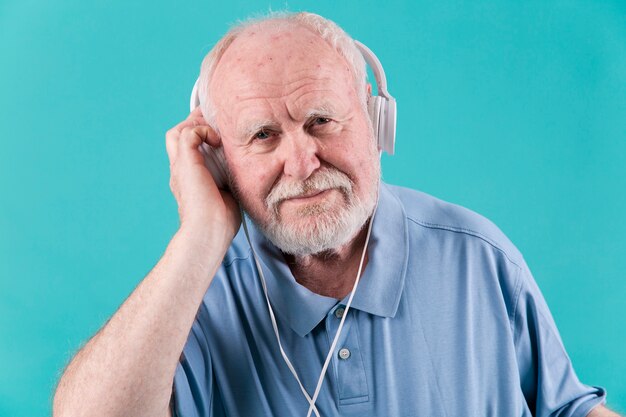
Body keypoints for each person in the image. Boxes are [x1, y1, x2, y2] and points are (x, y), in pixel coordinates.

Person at [52, 11, 619, 417]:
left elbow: (568, 408)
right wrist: (199, 236)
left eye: (321, 120)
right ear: (218, 160)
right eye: (262, 135)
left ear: (376, 124)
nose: (301, 163)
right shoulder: (192, 295)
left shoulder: (477, 255)